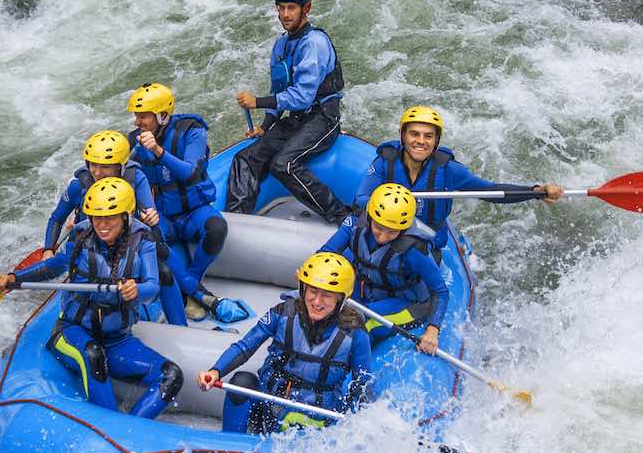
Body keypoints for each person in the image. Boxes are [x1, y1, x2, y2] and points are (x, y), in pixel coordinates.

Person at [0, 177, 182, 419]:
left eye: (110, 218)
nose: (101, 225)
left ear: (126, 216)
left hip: (117, 339)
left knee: (172, 375)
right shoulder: (82, 236)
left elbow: (153, 286)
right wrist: (14, 278)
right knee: (93, 354)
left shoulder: (143, 240)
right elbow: (54, 266)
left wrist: (138, 291)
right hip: (72, 331)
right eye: (96, 217)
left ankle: (130, 428)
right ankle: (111, 425)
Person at [196, 252, 372, 433]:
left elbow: (362, 384)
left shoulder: (356, 334)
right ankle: (231, 446)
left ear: (340, 299)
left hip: (316, 418)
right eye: (312, 291)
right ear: (303, 289)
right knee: (242, 382)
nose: (317, 301)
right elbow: (245, 347)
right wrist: (216, 370)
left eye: (327, 295)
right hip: (270, 403)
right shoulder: (282, 313)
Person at [227, 0, 349, 223]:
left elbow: (303, 97)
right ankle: (237, 222)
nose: (285, 14)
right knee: (246, 158)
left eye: (291, 8)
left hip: (322, 117)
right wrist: (266, 125)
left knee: (284, 164)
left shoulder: (314, 43)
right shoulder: (281, 44)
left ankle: (341, 214)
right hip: (296, 119)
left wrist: (257, 102)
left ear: (307, 9)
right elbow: (280, 89)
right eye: (281, 8)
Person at [352, 105, 565, 245]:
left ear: (436, 141)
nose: (421, 141)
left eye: (428, 136)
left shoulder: (448, 170)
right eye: (414, 134)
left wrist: (536, 191)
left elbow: (491, 191)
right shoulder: (385, 163)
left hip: (424, 238)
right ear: (403, 136)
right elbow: (361, 199)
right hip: (384, 229)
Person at [43, 130, 181, 323]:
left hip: (126, 245)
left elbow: (149, 220)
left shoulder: (135, 180)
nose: (98, 172)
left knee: (164, 268)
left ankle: (183, 316)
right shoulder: (78, 187)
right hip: (91, 245)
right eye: (93, 164)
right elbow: (57, 218)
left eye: (106, 166)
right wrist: (48, 249)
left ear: (121, 167)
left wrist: (151, 219)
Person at [127, 82, 227, 322]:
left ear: (162, 116)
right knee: (148, 240)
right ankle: (197, 293)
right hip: (162, 214)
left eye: (144, 117)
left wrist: (159, 151)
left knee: (217, 228)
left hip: (194, 211)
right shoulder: (134, 141)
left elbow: (190, 174)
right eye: (136, 116)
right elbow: (112, 171)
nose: (137, 122)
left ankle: (191, 283)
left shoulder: (193, 132)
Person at [319, 183, 448, 351]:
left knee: (358, 322)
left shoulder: (415, 250)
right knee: (326, 310)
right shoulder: (354, 224)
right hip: (367, 288)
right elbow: (325, 254)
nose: (383, 236)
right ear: (370, 217)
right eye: (379, 228)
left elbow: (440, 291)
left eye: (392, 232)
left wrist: (432, 330)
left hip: (405, 302)